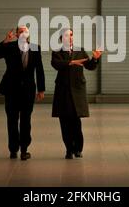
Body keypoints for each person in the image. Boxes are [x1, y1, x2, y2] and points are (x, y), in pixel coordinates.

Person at [0, 26, 45, 160]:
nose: (22, 33)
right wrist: (5, 41)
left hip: (28, 89)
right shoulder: (9, 47)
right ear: (16, 34)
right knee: (12, 120)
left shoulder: (35, 47)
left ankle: (24, 149)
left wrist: (41, 89)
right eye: (20, 31)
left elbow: (39, 69)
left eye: (25, 31)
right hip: (11, 89)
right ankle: (13, 149)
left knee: (26, 120)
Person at [51, 28, 102, 159]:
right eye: (67, 35)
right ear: (62, 38)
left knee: (76, 121)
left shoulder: (80, 51)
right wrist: (71, 62)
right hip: (63, 91)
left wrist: (95, 59)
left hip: (77, 89)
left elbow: (89, 66)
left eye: (71, 35)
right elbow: (56, 64)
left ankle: (78, 149)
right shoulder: (57, 52)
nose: (70, 37)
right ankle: (68, 149)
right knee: (64, 122)